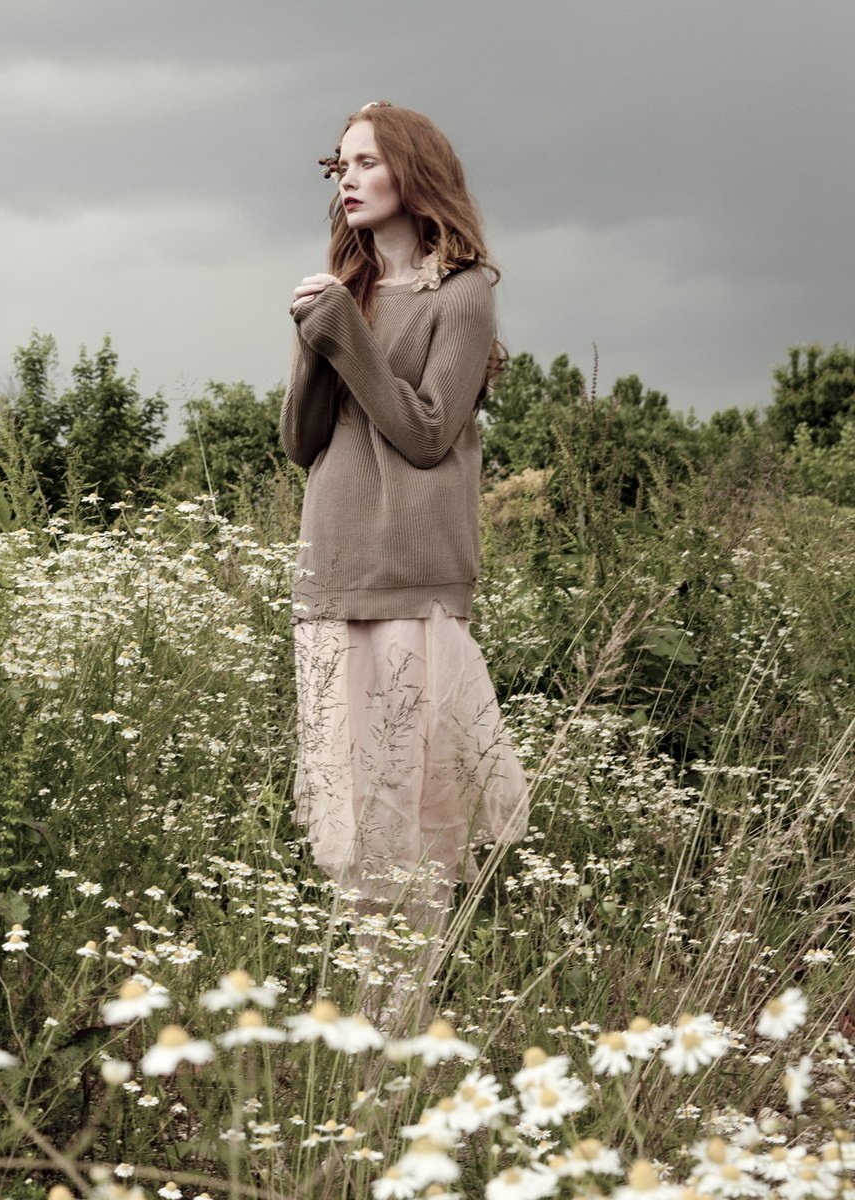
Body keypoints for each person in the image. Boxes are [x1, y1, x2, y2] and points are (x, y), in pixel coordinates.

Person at [280, 101, 528, 969]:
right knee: (350, 813)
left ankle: (407, 1008)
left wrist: (347, 336)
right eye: (337, 165)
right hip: (331, 572)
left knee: (413, 811)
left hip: (412, 580)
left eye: (366, 163)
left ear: (413, 175)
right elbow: (302, 442)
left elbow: (426, 435)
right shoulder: (345, 291)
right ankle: (364, 1009)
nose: (347, 179)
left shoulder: (462, 296)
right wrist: (319, 338)